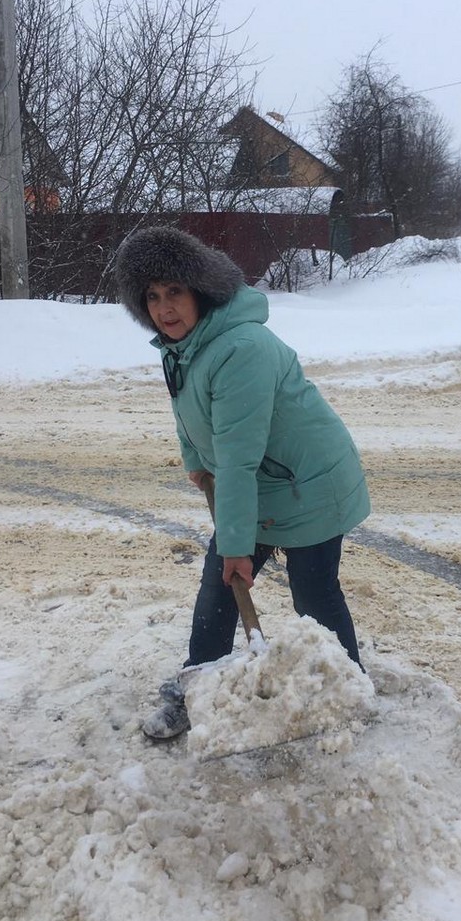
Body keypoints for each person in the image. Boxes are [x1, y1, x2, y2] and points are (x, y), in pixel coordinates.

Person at [115, 225, 370, 738]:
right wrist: (193, 457)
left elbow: (238, 459)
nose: (165, 308)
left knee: (314, 594)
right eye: (153, 297)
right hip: (259, 483)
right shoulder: (183, 346)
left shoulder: (240, 348)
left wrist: (236, 545)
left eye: (175, 292)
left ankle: (348, 685)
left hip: (308, 484)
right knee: (219, 584)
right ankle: (198, 685)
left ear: (200, 291)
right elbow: (188, 410)